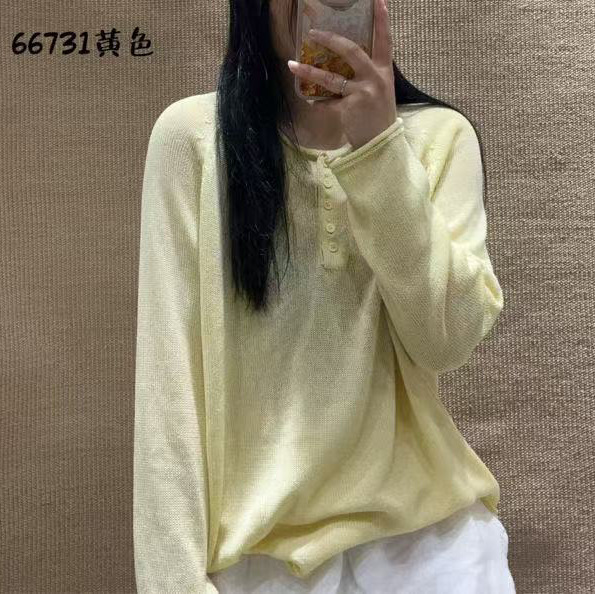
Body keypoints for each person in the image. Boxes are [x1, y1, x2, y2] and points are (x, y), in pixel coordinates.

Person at [133, 0, 516, 591]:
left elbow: (444, 343)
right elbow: (169, 387)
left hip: (428, 544)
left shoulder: (437, 138)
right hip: (259, 553)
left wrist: (378, 149)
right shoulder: (196, 140)